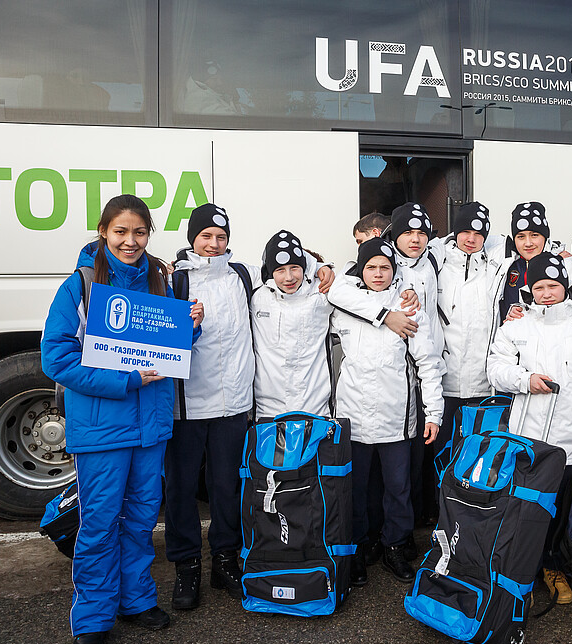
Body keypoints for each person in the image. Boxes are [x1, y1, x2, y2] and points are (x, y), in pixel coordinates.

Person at [41, 194, 204, 644]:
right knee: (98, 523)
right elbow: (57, 358)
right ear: (103, 232)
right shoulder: (81, 284)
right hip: (101, 428)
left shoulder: (161, 279)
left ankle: (135, 600)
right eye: (120, 232)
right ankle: (92, 617)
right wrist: (124, 380)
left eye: (140, 232)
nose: (130, 241)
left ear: (149, 233)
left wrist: (191, 325)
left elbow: (170, 346)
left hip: (150, 426)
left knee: (138, 521)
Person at [487, 252, 572, 606]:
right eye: (540, 287)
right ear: (529, 289)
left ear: (565, 287)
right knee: (526, 510)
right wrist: (524, 379)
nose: (547, 293)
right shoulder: (517, 325)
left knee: (562, 511)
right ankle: (523, 572)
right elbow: (494, 368)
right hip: (527, 440)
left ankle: (555, 567)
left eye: (554, 286)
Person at [332, 238, 443, 586]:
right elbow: (334, 288)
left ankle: (395, 544)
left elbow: (428, 363)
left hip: (398, 416)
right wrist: (385, 316)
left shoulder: (409, 305)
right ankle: (361, 547)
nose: (378, 274)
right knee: (357, 488)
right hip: (353, 415)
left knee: (398, 488)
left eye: (385, 267)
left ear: (394, 270)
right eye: (371, 267)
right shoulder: (343, 302)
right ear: (359, 270)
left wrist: (434, 413)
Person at [165, 203, 259, 611]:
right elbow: (162, 335)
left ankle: (224, 558)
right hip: (186, 404)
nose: (214, 244)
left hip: (233, 402)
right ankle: (187, 565)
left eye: (221, 238)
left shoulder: (240, 274)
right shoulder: (176, 278)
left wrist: (321, 266)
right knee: (182, 489)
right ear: (192, 238)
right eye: (206, 237)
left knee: (228, 486)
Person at [431, 201, 508, 506]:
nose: (471, 238)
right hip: (444, 380)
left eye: (478, 232)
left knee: (477, 450)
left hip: (482, 381)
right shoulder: (436, 261)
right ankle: (438, 508)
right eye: (465, 231)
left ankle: (471, 507)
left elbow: (537, 245)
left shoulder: (495, 265)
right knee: (441, 452)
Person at [251, 231, 335, 419]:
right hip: (268, 411)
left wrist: (320, 266)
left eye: (295, 267)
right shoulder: (257, 295)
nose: (288, 277)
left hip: (316, 409)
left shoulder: (322, 294)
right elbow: (225, 272)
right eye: (280, 270)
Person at [496, 202, 572, 323]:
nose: (528, 243)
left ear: (545, 237)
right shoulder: (504, 265)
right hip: (511, 338)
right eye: (521, 236)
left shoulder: (564, 265)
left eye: (534, 235)